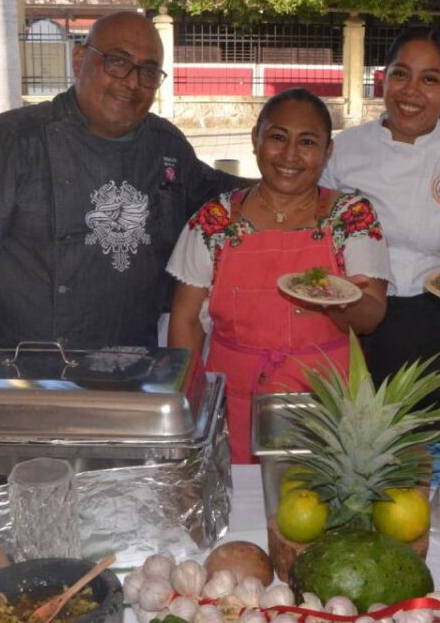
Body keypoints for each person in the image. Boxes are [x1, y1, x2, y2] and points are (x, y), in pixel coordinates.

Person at [0, 12, 241, 348]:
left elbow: (215, 190)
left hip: (134, 360)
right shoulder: (10, 139)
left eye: (148, 72)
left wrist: (288, 180)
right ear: (80, 60)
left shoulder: (166, 144)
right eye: (118, 62)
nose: (132, 82)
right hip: (29, 365)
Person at [167, 88, 390, 463]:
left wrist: (341, 300)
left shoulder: (352, 218)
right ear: (256, 139)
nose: (289, 155)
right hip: (233, 404)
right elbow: (186, 322)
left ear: (327, 151)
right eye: (277, 138)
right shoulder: (215, 221)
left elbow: (371, 318)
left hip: (328, 405)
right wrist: (187, 407)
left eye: (307, 142)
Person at [322, 27, 440, 446]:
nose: (411, 91)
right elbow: (317, 239)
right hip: (352, 324)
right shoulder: (345, 150)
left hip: (437, 331)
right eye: (401, 74)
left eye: (430, 79)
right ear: (384, 77)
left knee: (433, 469)